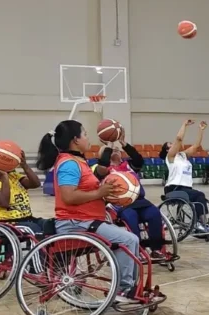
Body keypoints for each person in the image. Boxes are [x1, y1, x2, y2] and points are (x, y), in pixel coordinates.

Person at [37, 120, 140, 303]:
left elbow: (97, 175)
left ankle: (129, 286)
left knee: (127, 238)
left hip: (86, 221)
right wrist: (99, 192)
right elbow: (68, 197)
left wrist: (105, 192)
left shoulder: (78, 161)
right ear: (75, 140)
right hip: (75, 223)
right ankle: (124, 290)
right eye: (85, 134)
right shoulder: (69, 164)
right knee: (128, 239)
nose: (88, 137)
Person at [93, 132, 167, 262]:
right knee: (131, 218)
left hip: (140, 201)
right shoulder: (104, 170)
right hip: (120, 204)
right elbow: (101, 167)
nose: (115, 151)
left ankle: (156, 249)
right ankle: (137, 250)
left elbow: (138, 159)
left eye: (117, 150)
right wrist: (109, 146)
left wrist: (124, 145)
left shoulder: (128, 165)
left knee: (155, 214)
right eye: (111, 151)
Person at [161, 119, 209, 234]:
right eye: (171, 145)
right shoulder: (170, 157)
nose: (174, 145)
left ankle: (202, 223)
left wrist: (200, 130)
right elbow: (179, 139)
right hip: (174, 188)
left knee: (199, 196)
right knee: (200, 195)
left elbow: (196, 146)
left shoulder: (183, 156)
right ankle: (200, 223)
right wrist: (184, 125)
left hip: (186, 188)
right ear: (167, 150)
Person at [0, 150, 45, 233]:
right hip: (1, 224)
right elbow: (3, 202)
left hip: (26, 220)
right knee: (35, 230)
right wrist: (4, 177)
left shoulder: (14, 176)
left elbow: (35, 184)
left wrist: (25, 166)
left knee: (51, 225)